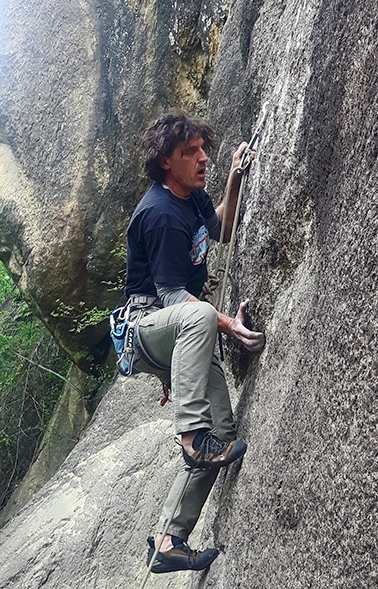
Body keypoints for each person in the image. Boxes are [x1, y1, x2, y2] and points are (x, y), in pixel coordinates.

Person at [122, 111, 265, 573]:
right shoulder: (159, 214)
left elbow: (220, 228)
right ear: (166, 161)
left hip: (183, 328)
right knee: (200, 313)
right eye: (191, 152)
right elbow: (171, 297)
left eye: (205, 148)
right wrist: (225, 323)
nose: (204, 157)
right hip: (149, 327)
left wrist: (234, 181)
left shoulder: (193, 197)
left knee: (222, 434)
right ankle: (189, 435)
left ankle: (169, 540)